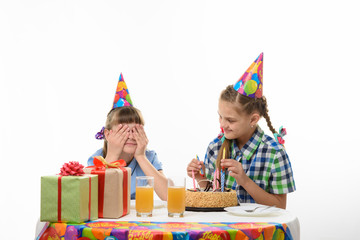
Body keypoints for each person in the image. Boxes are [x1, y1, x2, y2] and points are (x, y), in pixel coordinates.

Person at [186, 53, 295, 209]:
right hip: (222, 228)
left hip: (257, 230)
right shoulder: (215, 147)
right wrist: (199, 177)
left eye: (230, 120)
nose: (223, 124)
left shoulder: (274, 153)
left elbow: (280, 206)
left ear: (253, 120)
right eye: (220, 117)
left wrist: (244, 180)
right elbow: (215, 195)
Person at [88, 73, 168, 200]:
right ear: (108, 134)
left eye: (136, 130)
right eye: (123, 130)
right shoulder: (97, 160)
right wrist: (112, 155)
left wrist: (141, 156)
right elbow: (94, 197)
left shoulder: (149, 157)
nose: (131, 136)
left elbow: (168, 196)